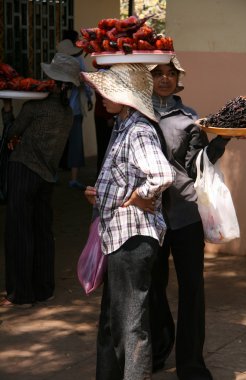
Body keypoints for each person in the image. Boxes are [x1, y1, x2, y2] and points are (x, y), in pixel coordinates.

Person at [81, 63, 176, 380]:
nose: (102, 96)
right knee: (113, 324)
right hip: (121, 239)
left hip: (132, 241)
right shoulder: (122, 127)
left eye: (108, 91)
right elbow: (126, 177)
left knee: (130, 327)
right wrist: (103, 194)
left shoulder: (137, 130)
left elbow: (163, 174)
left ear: (125, 97)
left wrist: (138, 196)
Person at [149, 55, 231, 380]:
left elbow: (199, 163)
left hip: (185, 214)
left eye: (171, 73)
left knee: (192, 288)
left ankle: (191, 364)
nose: (165, 78)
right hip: (149, 215)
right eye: (158, 73)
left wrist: (223, 140)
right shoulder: (137, 113)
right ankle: (158, 347)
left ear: (179, 79)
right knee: (152, 288)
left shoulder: (190, 118)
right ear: (149, 78)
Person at [0, 53, 80, 308]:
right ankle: (44, 289)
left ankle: (21, 294)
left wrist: (7, 111)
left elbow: (13, 131)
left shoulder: (35, 107)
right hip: (47, 176)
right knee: (42, 232)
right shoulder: (67, 113)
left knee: (19, 231)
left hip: (23, 170)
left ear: (53, 81)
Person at [57, 36, 93, 190]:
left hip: (67, 110)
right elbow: (86, 84)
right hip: (69, 110)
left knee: (64, 144)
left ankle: (66, 177)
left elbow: (85, 83)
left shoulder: (60, 63)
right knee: (71, 144)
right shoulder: (72, 63)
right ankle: (72, 178)